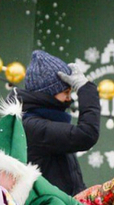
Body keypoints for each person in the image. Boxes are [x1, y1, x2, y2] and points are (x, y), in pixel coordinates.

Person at [15, 50, 100, 195]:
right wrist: (86, 89)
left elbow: (72, 180)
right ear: (48, 94)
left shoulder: (48, 120)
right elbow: (86, 135)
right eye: (66, 93)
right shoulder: (31, 126)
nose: (69, 99)